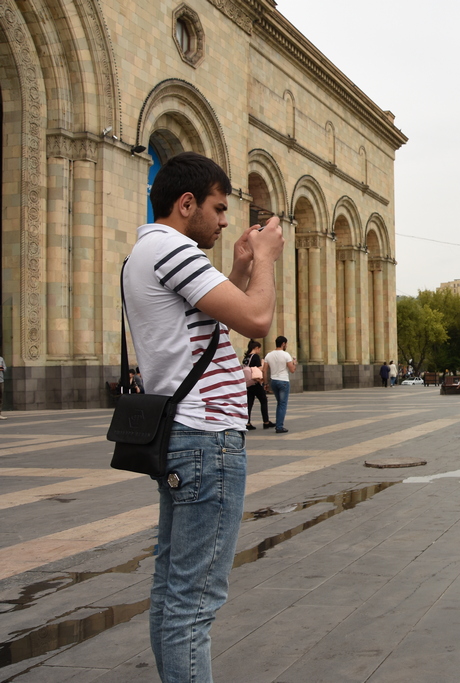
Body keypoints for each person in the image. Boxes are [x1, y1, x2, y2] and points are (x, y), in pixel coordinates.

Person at [123, 151, 284, 682]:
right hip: (206, 439)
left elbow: (208, 326)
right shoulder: (173, 249)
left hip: (184, 437)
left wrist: (238, 269)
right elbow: (256, 318)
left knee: (173, 593)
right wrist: (267, 259)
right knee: (194, 604)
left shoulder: (145, 253)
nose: (224, 221)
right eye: (218, 208)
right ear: (186, 203)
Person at [264, 336, 296, 433]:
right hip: (283, 381)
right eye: (286, 344)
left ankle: (278, 424)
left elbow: (264, 370)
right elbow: (292, 370)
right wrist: (294, 363)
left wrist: (265, 383)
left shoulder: (269, 355)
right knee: (282, 404)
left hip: (273, 381)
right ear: (283, 344)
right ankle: (279, 426)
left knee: (279, 403)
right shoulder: (286, 355)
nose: (286, 346)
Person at [244, 340, 273, 431]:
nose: (260, 351)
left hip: (248, 383)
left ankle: (247, 422)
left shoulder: (246, 357)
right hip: (256, 382)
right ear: (256, 348)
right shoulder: (255, 356)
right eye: (259, 349)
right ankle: (266, 422)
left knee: (249, 403)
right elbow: (259, 369)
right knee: (263, 400)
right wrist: (263, 363)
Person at [0, 354, 7, 420]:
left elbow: (5, 368)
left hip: (1, 380)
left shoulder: (1, 359)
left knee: (0, 397)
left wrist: (2, 368)